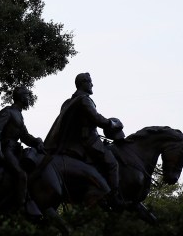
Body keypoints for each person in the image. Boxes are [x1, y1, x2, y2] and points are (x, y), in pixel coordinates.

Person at [44, 72, 125, 209]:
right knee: (112, 163)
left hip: (74, 142)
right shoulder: (84, 100)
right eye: (90, 82)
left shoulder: (68, 102)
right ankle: (114, 197)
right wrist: (112, 123)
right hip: (87, 142)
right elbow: (97, 119)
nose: (92, 84)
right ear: (83, 83)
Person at [0, 86, 45, 218]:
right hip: (7, 149)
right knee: (21, 174)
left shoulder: (19, 114)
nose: (29, 98)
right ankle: (20, 210)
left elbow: (24, 136)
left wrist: (37, 141)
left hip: (15, 149)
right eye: (27, 95)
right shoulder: (8, 111)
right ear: (21, 97)